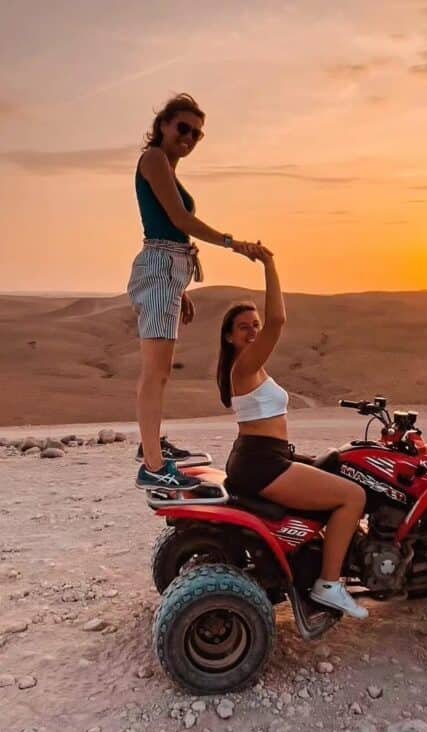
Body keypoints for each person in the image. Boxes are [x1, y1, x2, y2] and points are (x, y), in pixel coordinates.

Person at [217, 249, 369, 619]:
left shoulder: (253, 368)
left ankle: (336, 557)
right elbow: (278, 320)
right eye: (245, 326)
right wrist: (269, 264)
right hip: (262, 463)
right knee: (353, 497)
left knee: (343, 467)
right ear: (230, 337)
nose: (254, 330)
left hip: (269, 456)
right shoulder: (245, 365)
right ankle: (329, 585)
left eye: (255, 325)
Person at [128, 93, 266, 490]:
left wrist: (180, 286)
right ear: (163, 126)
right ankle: (153, 466)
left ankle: (151, 447)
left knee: (161, 371)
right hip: (159, 267)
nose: (189, 137)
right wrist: (231, 242)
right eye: (183, 128)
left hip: (168, 270)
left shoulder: (166, 167)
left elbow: (169, 226)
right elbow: (178, 218)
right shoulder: (154, 159)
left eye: (197, 134)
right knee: (155, 373)